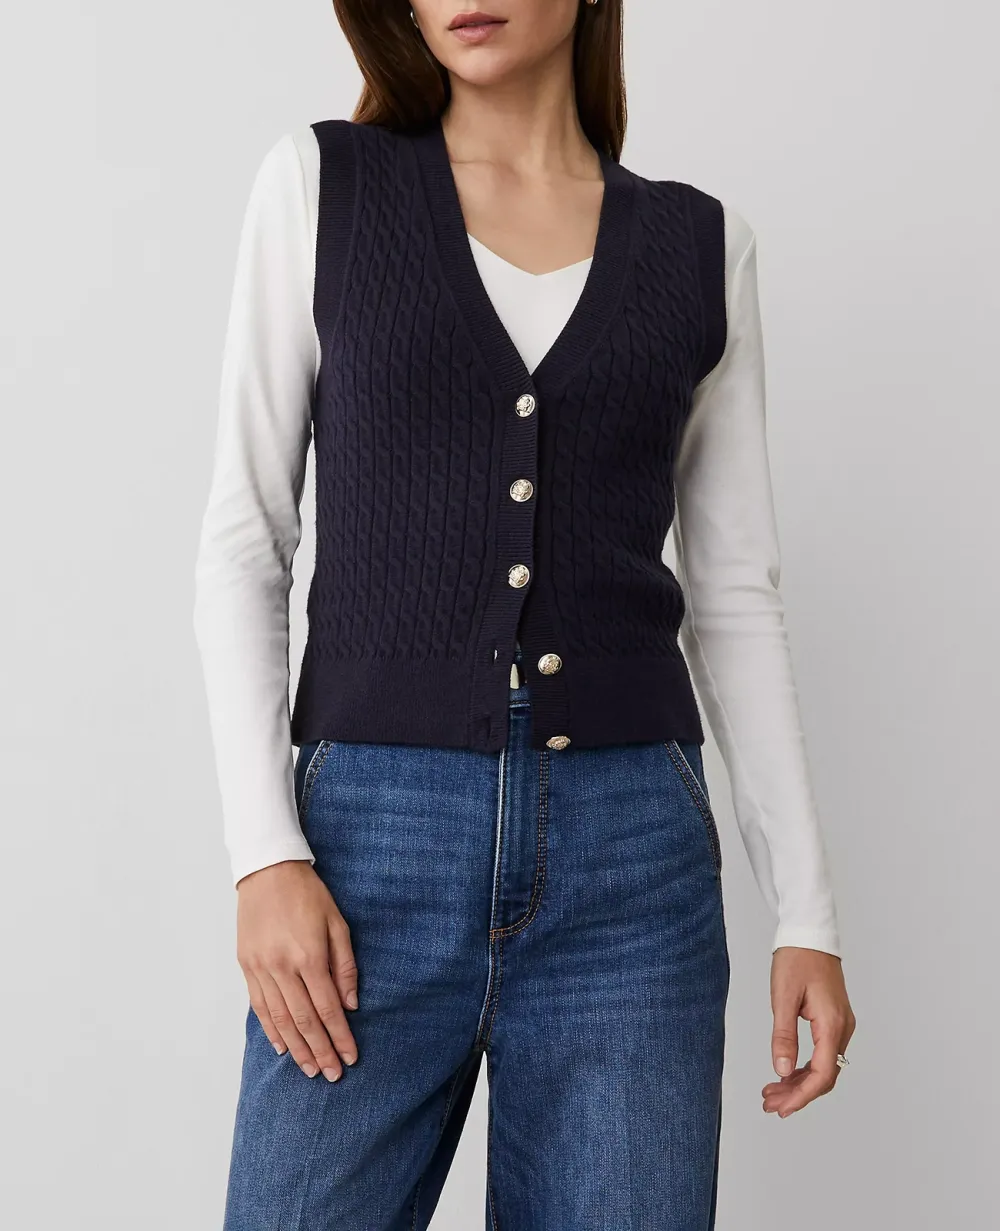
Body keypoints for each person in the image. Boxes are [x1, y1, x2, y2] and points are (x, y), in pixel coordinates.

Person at [193, 2, 856, 1227]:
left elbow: (732, 595)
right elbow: (246, 542)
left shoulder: (703, 246)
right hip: (368, 852)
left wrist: (805, 911)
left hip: (631, 867)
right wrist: (265, 855)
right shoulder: (322, 188)